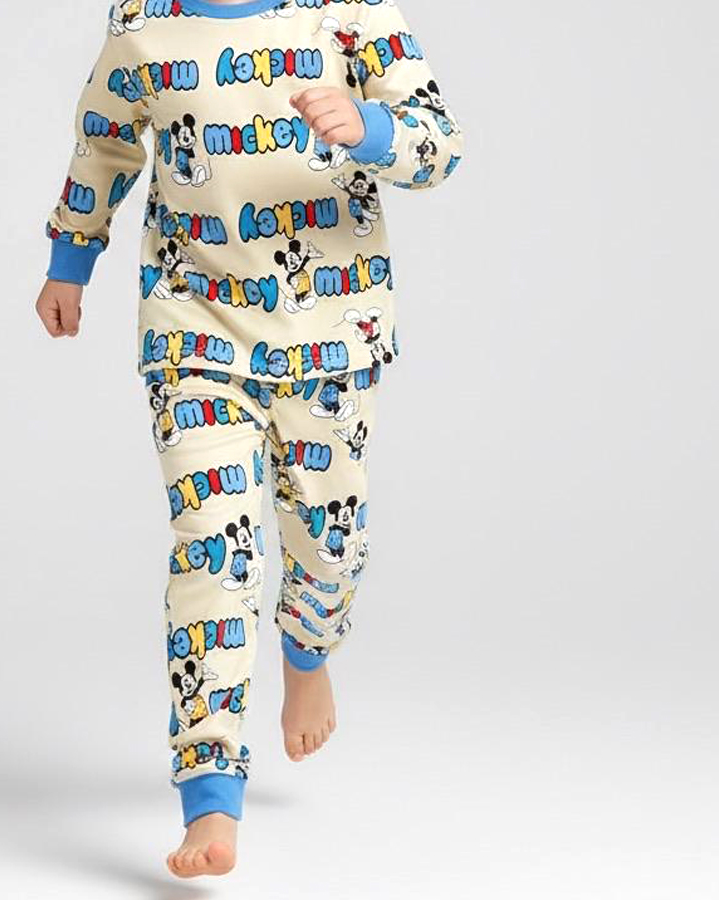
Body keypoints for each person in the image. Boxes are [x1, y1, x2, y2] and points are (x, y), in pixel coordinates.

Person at [35, 0, 464, 879]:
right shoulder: (142, 23)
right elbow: (103, 142)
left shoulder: (350, 14)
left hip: (332, 332)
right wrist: (71, 258)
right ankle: (210, 795)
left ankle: (308, 648)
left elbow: (440, 144)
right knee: (213, 552)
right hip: (195, 331)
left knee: (329, 545)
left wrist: (372, 128)